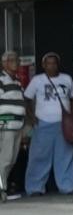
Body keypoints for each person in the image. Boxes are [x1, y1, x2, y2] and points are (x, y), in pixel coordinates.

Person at [24, 53, 73, 197]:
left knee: (66, 156)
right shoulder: (37, 80)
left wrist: (72, 114)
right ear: (43, 65)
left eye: (54, 63)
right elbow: (26, 98)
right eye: (48, 63)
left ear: (58, 64)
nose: (52, 66)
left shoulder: (66, 79)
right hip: (43, 123)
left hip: (64, 125)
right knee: (39, 156)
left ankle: (69, 187)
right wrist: (32, 118)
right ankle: (35, 188)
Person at [0, 65, 27, 203]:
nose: (17, 63)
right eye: (14, 61)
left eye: (17, 60)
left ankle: (2, 187)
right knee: (5, 159)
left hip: (17, 126)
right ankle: (1, 190)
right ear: (5, 63)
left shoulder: (16, 81)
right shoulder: (1, 79)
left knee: (11, 160)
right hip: (5, 126)